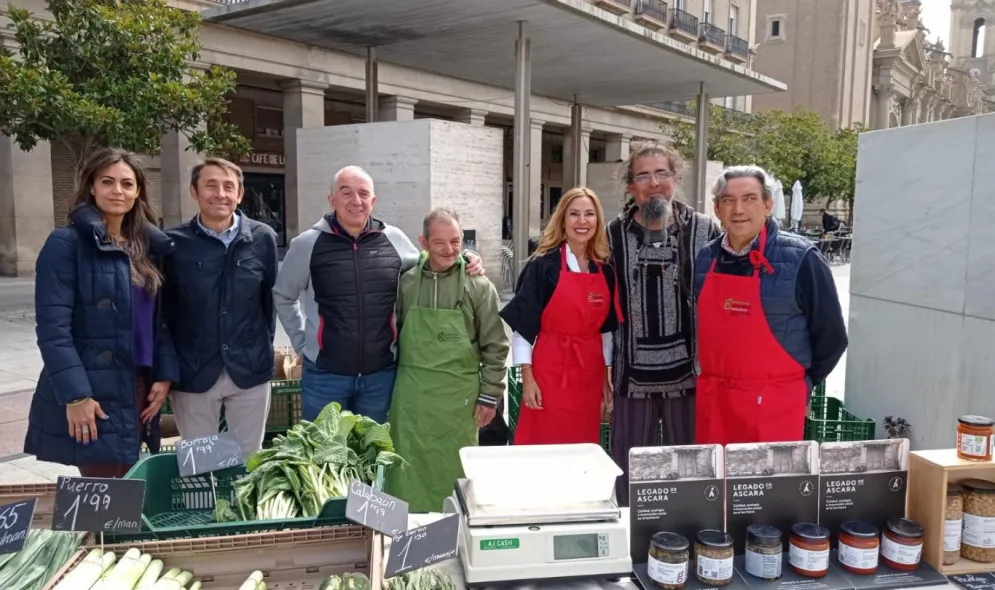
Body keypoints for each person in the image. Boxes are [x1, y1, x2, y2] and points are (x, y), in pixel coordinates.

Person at [273, 166, 485, 424]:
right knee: (323, 457)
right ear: (332, 200)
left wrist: (466, 257)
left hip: (380, 377)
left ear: (373, 201)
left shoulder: (393, 240)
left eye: (363, 194)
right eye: (346, 193)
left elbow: (433, 261)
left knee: (375, 455)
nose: (356, 201)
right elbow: (283, 295)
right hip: (325, 376)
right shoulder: (307, 244)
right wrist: (303, 344)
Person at [24, 148, 178, 477]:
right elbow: (53, 330)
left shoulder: (147, 247)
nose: (117, 191)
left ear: (138, 192)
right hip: (94, 387)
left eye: (127, 183)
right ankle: (103, 532)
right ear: (91, 187)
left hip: (138, 384)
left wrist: (163, 375)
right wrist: (76, 396)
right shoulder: (65, 244)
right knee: (105, 490)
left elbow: (158, 321)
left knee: (133, 482)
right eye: (107, 182)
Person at [694, 165, 848, 445]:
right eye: (728, 200)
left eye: (750, 198)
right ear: (716, 209)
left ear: (768, 204)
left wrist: (801, 385)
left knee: (769, 487)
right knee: (717, 487)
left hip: (774, 405)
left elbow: (832, 337)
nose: (738, 209)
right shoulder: (706, 258)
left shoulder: (802, 258)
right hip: (716, 404)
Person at [607, 141, 719, 505]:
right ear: (630, 186)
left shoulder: (705, 231)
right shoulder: (610, 236)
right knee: (628, 470)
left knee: (686, 469)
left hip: (688, 378)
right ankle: (629, 539)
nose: (653, 183)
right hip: (630, 378)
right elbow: (563, 257)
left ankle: (683, 534)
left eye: (662, 174)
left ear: (676, 178)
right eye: (643, 175)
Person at [386, 209, 509, 511]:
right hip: (411, 400)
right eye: (439, 242)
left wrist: (490, 396)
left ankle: (454, 539)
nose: (449, 250)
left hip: (460, 401)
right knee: (406, 471)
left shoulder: (479, 286)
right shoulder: (405, 284)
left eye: (455, 241)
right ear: (423, 242)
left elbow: (496, 346)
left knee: (456, 474)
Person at [162, 158, 279, 458]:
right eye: (211, 185)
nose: (220, 194)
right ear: (194, 191)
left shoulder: (262, 238)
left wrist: (262, 349)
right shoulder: (174, 244)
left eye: (229, 187)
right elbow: (165, 311)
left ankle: (242, 508)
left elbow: (269, 302)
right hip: (194, 371)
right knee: (200, 463)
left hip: (249, 370)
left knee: (248, 461)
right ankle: (203, 509)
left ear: (240, 194)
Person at [500, 187, 622, 445]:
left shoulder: (605, 270)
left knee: (581, 444)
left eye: (589, 214)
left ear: (597, 221)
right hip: (549, 372)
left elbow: (606, 332)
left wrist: (605, 378)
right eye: (574, 214)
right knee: (544, 442)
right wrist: (528, 378)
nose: (582, 221)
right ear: (562, 220)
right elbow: (523, 328)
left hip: (589, 373)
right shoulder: (543, 266)